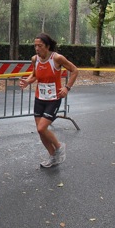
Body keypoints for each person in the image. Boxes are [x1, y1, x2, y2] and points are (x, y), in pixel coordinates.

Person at [19, 33, 79, 168]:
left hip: (54, 98)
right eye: (35, 46)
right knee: (40, 131)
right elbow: (34, 75)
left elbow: (75, 70)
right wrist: (27, 81)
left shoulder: (57, 58)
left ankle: (59, 146)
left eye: (40, 46)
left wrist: (67, 88)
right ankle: (53, 157)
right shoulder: (35, 59)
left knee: (42, 127)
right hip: (39, 98)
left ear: (47, 46)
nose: (37, 49)